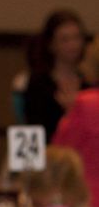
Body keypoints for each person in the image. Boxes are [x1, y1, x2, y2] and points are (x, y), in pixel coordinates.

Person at [23, 8, 91, 143]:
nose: (73, 45)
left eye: (76, 38)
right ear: (51, 44)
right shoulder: (39, 83)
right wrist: (71, 113)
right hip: (50, 151)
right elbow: (34, 132)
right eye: (65, 39)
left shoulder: (89, 82)